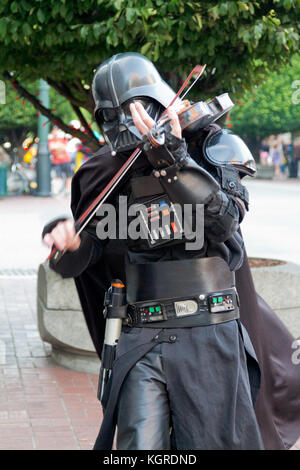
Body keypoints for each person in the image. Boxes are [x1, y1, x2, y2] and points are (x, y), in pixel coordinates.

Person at [42, 53, 300, 450]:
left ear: (157, 101)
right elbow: (87, 259)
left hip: (208, 332)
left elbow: (225, 221)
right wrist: (71, 243)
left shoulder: (211, 145)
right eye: (109, 116)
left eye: (131, 110)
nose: (122, 125)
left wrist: (172, 159)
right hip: (141, 335)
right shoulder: (110, 171)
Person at [48, 127, 73, 193]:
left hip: (66, 160)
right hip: (57, 161)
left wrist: (57, 146)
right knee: (58, 176)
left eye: (56, 130)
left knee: (69, 176)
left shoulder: (62, 139)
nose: (55, 132)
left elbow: (65, 148)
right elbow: (52, 147)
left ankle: (67, 190)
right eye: (54, 130)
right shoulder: (51, 140)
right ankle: (58, 191)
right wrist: (59, 146)